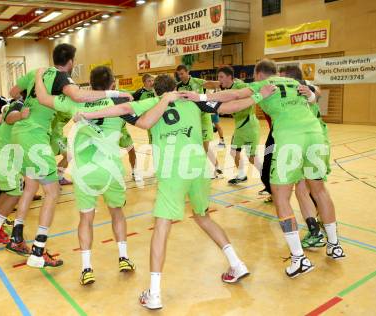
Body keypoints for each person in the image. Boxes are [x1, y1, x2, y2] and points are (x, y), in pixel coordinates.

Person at [75, 74, 274, 310]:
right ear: (175, 87)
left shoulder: (151, 102)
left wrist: (87, 114)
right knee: (202, 216)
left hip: (173, 170)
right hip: (199, 167)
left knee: (161, 227)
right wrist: (260, 95)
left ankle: (155, 293)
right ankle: (237, 263)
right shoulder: (192, 99)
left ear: (155, 92)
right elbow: (232, 102)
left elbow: (125, 109)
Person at [181, 59, 345, 278]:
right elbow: (317, 91)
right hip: (316, 135)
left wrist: (201, 97)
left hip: (291, 138)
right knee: (319, 190)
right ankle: (334, 245)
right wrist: (313, 93)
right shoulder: (294, 82)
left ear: (258, 75)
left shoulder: (264, 84)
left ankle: (299, 258)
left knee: (281, 196)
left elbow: (233, 96)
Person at [6, 43, 132, 268]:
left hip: (19, 133)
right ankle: (37, 251)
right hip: (38, 137)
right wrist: (118, 94)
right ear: (71, 62)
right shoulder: (66, 81)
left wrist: (33, 85)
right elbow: (79, 95)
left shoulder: (39, 74)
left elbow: (15, 93)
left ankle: (17, 235)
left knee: (31, 186)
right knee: (53, 192)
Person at [35, 66, 136, 285]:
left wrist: (38, 74)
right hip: (111, 170)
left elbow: (42, 97)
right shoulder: (120, 101)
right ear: (112, 85)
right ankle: (124, 258)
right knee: (117, 213)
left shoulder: (75, 102)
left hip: (84, 172)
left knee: (85, 219)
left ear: (90, 85)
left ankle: (87, 269)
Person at [280, 65, 327, 249]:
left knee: (312, 189)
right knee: (308, 188)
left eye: (282, 77)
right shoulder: (299, 91)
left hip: (313, 140)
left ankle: (319, 230)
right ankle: (322, 226)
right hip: (311, 139)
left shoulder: (302, 90)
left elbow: (317, 93)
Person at [0, 100, 32, 244]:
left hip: (6, 158)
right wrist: (21, 115)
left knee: (8, 192)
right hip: (2, 157)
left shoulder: (18, 108)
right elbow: (10, 116)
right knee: (17, 190)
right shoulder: (18, 107)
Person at [216, 66, 261, 185]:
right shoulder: (225, 90)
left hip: (249, 125)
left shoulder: (240, 86)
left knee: (252, 158)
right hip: (239, 126)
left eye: (221, 77)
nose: (219, 80)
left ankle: (267, 181)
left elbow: (253, 93)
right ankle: (241, 175)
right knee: (233, 152)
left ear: (230, 77)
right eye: (218, 77)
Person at [175, 65, 222, 178]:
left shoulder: (197, 81)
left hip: (203, 117)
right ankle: (215, 167)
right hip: (190, 119)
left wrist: (221, 83)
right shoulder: (178, 87)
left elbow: (211, 83)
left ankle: (214, 169)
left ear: (187, 72)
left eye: (182, 73)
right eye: (179, 74)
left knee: (205, 145)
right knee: (195, 145)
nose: (180, 76)